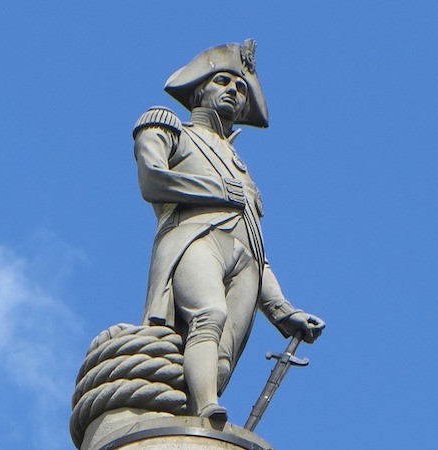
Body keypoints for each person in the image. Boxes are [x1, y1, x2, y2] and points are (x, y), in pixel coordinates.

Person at [132, 39, 325, 422]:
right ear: (200, 88)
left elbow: (255, 243)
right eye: (223, 81)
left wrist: (283, 310)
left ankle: (194, 418)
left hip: (246, 263)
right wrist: (219, 192)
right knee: (208, 314)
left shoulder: (244, 172)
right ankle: (206, 407)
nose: (233, 92)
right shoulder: (171, 128)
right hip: (196, 238)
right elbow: (152, 180)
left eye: (240, 89)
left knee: (222, 358)